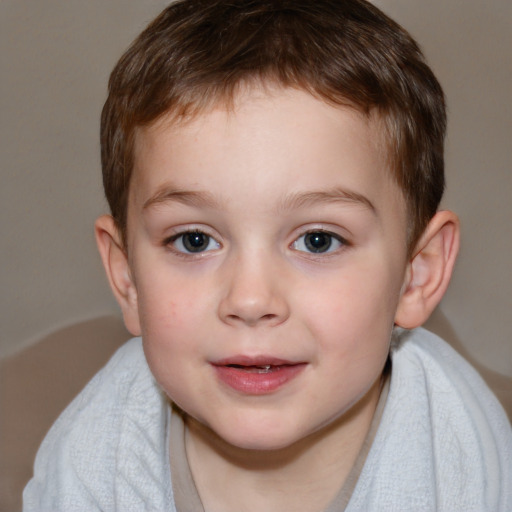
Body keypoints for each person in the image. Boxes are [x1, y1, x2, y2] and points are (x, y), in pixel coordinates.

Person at [23, 0, 511, 510]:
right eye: (194, 240)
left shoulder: (462, 466)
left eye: (318, 240)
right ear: (127, 278)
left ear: (417, 275)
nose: (251, 300)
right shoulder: (94, 454)